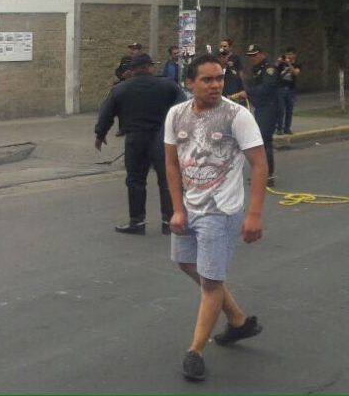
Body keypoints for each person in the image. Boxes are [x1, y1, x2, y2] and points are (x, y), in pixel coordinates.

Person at [164, 54, 267, 382]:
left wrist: (253, 214)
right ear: (189, 83)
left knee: (210, 283)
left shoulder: (237, 115)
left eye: (219, 78)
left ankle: (195, 351)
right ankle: (238, 320)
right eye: (207, 79)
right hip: (190, 208)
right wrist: (177, 208)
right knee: (186, 263)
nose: (215, 85)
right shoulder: (176, 114)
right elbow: (171, 164)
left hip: (221, 212)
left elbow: (260, 164)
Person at [95, 53, 185, 235]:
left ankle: (137, 222)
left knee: (135, 180)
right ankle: (169, 221)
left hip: (135, 140)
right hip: (162, 138)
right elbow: (183, 107)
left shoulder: (121, 89)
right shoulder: (167, 85)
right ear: (148, 67)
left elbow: (107, 112)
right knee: (166, 179)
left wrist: (100, 134)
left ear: (133, 70)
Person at [231, 44, 279, 187]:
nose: (252, 58)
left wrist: (248, 93)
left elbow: (266, 88)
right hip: (260, 108)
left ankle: (268, 175)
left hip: (269, 108)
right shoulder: (255, 70)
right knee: (259, 141)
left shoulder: (270, 69)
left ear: (262, 55)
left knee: (264, 141)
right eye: (250, 56)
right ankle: (262, 173)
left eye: (254, 55)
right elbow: (252, 86)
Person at [275, 47, 301, 135]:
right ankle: (279, 128)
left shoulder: (297, 65)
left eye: (290, 54)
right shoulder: (282, 64)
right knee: (281, 109)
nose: (288, 56)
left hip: (291, 90)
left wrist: (289, 63)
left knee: (289, 110)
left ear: (294, 55)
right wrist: (279, 62)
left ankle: (287, 128)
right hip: (280, 89)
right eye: (287, 54)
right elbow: (273, 70)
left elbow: (295, 73)